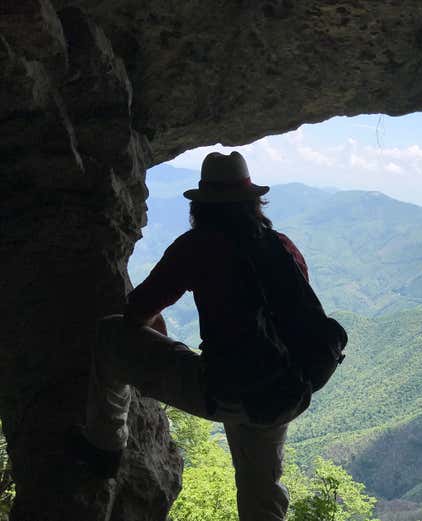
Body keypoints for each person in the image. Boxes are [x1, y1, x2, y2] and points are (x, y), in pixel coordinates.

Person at [70, 151, 347, 521]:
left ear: (202, 205)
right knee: (261, 491)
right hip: (285, 389)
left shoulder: (197, 246)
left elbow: (136, 311)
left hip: (225, 388)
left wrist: (157, 326)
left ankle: (104, 448)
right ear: (254, 202)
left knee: (108, 335)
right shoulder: (282, 246)